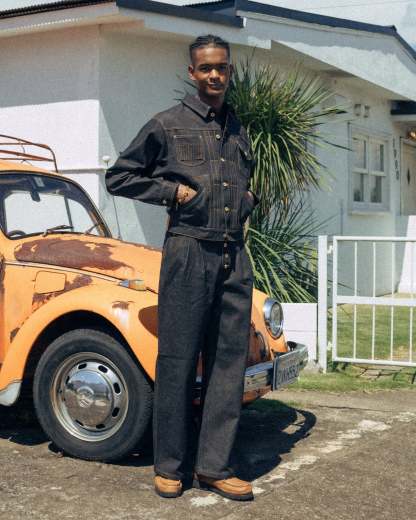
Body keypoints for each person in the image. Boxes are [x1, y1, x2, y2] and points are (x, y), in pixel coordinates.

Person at [105, 34, 260, 501]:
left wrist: (249, 199)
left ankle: (214, 466)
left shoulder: (238, 127)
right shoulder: (167, 124)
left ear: (229, 71)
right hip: (189, 252)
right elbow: (120, 176)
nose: (215, 74)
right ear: (192, 72)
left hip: (234, 256)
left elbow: (243, 180)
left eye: (222, 67)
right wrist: (172, 192)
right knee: (176, 360)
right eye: (206, 67)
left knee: (228, 365)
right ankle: (169, 466)